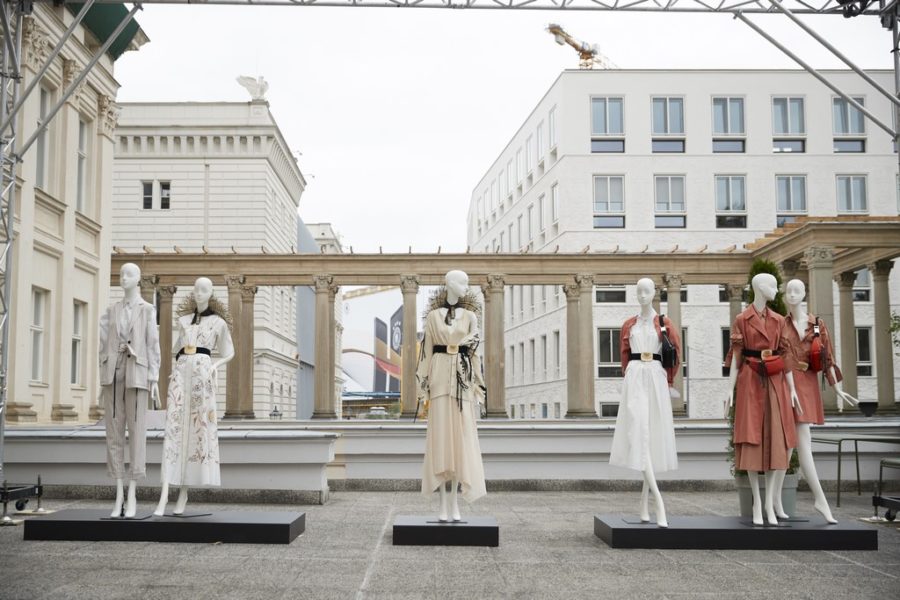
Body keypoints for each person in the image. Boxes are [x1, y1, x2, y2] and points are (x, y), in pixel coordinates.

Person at [778, 279, 857, 524]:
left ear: (804, 294)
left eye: (797, 291)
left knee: (797, 445)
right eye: (788, 290)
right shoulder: (781, 324)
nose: (792, 294)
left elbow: (827, 358)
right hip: (786, 384)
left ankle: (783, 501)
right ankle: (814, 500)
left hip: (808, 384)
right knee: (793, 445)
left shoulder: (817, 325)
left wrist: (838, 388)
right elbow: (781, 357)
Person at [154, 277, 234, 516]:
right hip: (181, 374)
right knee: (174, 430)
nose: (198, 293)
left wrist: (215, 366)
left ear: (210, 293)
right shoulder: (183, 321)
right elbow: (175, 349)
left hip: (202, 376)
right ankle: (165, 493)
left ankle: (183, 492)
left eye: (204, 289)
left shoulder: (218, 323)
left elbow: (230, 352)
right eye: (196, 289)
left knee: (195, 431)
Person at [727, 273, 801, 526]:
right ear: (759, 287)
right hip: (750, 378)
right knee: (750, 438)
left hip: (775, 380)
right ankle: (757, 503)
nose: (777, 290)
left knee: (775, 440)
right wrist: (730, 389)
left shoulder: (779, 321)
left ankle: (770, 502)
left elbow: (786, 356)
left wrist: (792, 389)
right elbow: (737, 357)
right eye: (772, 285)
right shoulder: (742, 319)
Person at [609, 278, 681, 528]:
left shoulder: (664, 323)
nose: (641, 295)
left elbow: (675, 355)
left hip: (656, 375)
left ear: (654, 293)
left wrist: (669, 382)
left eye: (646, 291)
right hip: (636, 376)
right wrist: (627, 375)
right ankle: (659, 502)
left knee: (649, 436)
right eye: (638, 291)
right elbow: (625, 355)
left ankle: (643, 505)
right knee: (639, 432)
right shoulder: (629, 324)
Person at [417, 270, 486, 522]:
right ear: (449, 284)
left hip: (462, 381)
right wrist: (422, 384)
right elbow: (425, 350)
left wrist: (479, 383)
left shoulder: (471, 316)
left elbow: (475, 348)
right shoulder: (434, 317)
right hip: (438, 381)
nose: (466, 286)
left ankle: (455, 503)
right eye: (462, 281)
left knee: (460, 442)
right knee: (441, 442)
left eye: (467, 281)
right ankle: (442, 505)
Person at [99, 263, 160, 518]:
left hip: (138, 371)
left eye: (129, 274)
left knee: (137, 432)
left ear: (138, 280)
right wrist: (102, 375)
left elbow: (152, 343)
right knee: (113, 433)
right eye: (121, 274)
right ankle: (118, 493)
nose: (123, 278)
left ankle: (133, 493)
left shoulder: (147, 310)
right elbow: (103, 345)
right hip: (114, 373)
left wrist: (154, 377)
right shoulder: (111, 310)